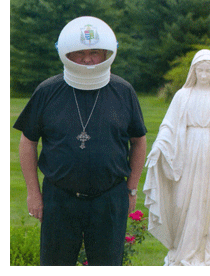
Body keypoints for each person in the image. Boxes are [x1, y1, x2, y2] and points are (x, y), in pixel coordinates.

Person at [13, 16, 147, 266]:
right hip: (60, 197)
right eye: (80, 52)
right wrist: (33, 192)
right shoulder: (47, 91)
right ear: (66, 54)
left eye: (94, 52)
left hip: (109, 197)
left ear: (107, 53)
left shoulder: (123, 91)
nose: (87, 59)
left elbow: (138, 141)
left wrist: (131, 188)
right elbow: (28, 141)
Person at [143, 49, 210, 266]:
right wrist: (159, 147)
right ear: (194, 71)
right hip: (187, 152)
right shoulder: (183, 96)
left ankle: (203, 252)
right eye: (201, 70)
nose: (204, 75)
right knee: (182, 202)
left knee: (205, 201)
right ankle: (182, 250)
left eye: (209, 71)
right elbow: (168, 126)